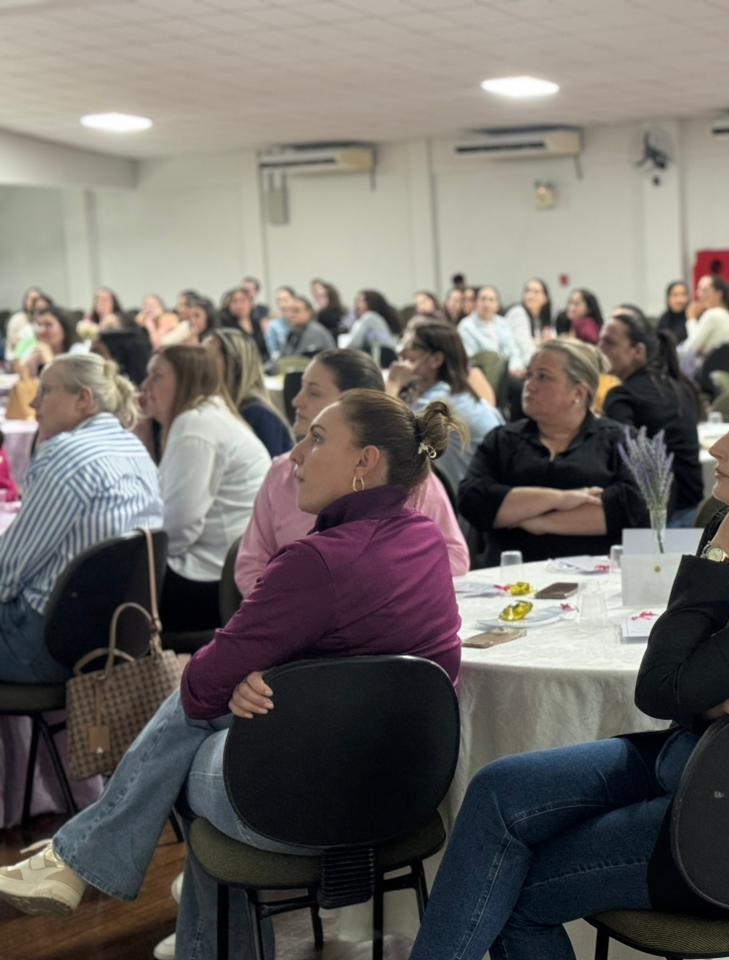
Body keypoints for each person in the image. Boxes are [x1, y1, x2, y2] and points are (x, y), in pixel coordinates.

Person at [409, 377, 729, 960]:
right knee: (496, 790)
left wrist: (720, 567)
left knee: (512, 892)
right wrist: (716, 690)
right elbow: (682, 680)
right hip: (700, 757)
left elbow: (660, 685)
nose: (716, 448)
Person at [0, 392, 464, 960]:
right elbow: (366, 657)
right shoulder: (423, 542)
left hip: (313, 804)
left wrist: (258, 675)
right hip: (409, 793)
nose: (294, 454)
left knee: (193, 741)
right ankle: (88, 868)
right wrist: (275, 677)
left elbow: (200, 689)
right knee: (218, 725)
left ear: (365, 460)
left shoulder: (316, 562)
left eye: (317, 439)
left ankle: (79, 861)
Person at [238, 347, 469, 596]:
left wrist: (372, 597)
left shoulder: (403, 477)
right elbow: (250, 563)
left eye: (313, 392)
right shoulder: (282, 472)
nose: (296, 400)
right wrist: (282, 608)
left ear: (354, 406)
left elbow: (454, 556)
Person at [0, 354, 162, 683]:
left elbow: (7, 572)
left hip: (47, 647)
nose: (33, 401)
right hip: (115, 637)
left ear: (83, 399)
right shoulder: (133, 447)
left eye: (45, 391)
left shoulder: (66, 455)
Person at [459, 339, 645, 564]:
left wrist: (537, 522)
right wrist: (561, 499)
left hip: (596, 579)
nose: (530, 385)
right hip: (512, 579)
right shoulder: (503, 440)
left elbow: (629, 508)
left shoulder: (621, 441)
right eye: (529, 375)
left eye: (543, 376)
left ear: (578, 393)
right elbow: (473, 500)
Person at [139, 346, 270, 632]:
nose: (145, 386)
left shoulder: (195, 424)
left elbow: (178, 527)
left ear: (186, 379)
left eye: (157, 376)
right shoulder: (209, 415)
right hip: (228, 571)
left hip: (211, 578)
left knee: (114, 585)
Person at [598, 308, 703, 525]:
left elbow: (618, 459)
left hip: (663, 518)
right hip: (695, 513)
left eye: (609, 343)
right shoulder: (675, 384)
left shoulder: (622, 396)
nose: (599, 349)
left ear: (637, 351)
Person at [386, 321, 504, 486]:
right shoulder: (453, 392)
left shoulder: (440, 404)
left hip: (468, 505)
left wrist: (394, 382)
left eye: (411, 346)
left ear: (436, 359)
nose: (402, 352)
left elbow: (383, 437)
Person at [204, 329, 294, 457]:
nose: (199, 363)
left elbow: (272, 472)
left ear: (235, 365)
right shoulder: (219, 407)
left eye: (208, 357)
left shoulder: (256, 414)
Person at [458, 286, 524, 375]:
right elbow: (470, 358)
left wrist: (515, 367)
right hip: (482, 373)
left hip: (507, 371)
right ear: (476, 303)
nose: (487, 304)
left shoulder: (503, 323)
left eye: (491, 300)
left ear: (497, 305)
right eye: (483, 299)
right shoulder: (466, 326)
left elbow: (513, 350)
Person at [679, 274, 729, 369]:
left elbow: (689, 348)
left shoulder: (713, 315)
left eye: (704, 290)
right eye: (698, 289)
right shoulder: (726, 313)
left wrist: (691, 319)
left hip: (704, 372)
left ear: (718, 294)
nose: (699, 294)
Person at [22, 306, 83, 378]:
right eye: (39, 325)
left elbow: (71, 383)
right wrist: (30, 367)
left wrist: (48, 359)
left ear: (65, 329)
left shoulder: (78, 351)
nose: (41, 330)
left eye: (48, 325)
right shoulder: (35, 350)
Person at [502, 278, 551, 364]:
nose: (530, 295)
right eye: (527, 291)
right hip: (515, 364)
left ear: (545, 298)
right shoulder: (518, 312)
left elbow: (551, 344)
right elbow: (525, 349)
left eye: (536, 292)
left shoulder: (543, 319)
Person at [277, 296, 336, 362]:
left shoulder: (315, 332)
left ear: (308, 312)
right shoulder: (292, 334)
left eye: (296, 311)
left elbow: (299, 360)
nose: (291, 315)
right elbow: (282, 358)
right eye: (289, 311)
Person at [347, 288, 405, 355]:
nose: (358, 305)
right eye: (358, 301)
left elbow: (354, 343)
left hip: (384, 355)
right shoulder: (378, 319)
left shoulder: (370, 317)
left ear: (373, 302)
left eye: (362, 301)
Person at [220, 287, 269, 360]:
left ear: (251, 303)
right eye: (234, 301)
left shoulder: (256, 321)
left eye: (243, 301)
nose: (239, 306)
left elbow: (264, 350)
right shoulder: (224, 325)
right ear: (228, 305)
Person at [264, 286, 296, 358]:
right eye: (279, 301)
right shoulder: (273, 325)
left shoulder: (301, 322)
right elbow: (272, 351)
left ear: (294, 300)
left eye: (285, 300)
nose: (282, 304)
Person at [656, 280, 690, 344]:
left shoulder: (692, 318)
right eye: (675, 295)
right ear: (668, 298)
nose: (680, 299)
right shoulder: (664, 319)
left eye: (683, 294)